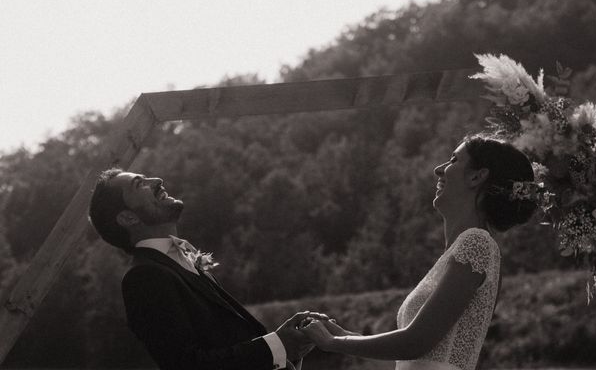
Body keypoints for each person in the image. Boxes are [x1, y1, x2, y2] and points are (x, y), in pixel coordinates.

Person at [301, 135, 537, 370]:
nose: (439, 169)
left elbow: (415, 342)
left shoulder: (476, 244)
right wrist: (345, 335)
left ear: (477, 176)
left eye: (453, 160)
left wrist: (335, 342)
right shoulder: (464, 250)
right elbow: (409, 359)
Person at [88, 168, 325, 370]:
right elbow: (187, 365)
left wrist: (289, 350)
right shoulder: (143, 278)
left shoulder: (180, 260)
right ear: (128, 218)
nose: (157, 180)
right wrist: (277, 345)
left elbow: (225, 344)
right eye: (140, 184)